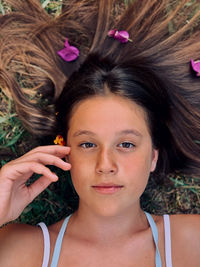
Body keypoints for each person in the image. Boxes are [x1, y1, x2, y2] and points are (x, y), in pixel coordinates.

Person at [0, 0, 200, 266]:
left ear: (153, 157)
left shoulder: (191, 241)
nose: (105, 165)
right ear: (64, 152)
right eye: (87, 144)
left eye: (127, 144)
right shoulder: (22, 249)